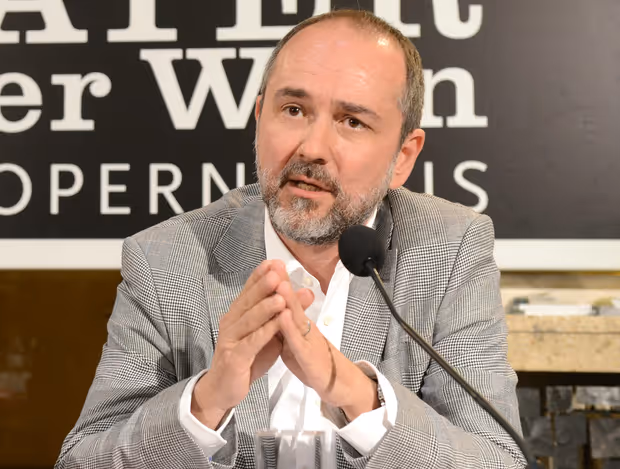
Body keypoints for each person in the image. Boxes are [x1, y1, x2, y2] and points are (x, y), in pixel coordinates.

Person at [55, 9, 525, 469]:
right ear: (260, 116)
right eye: (294, 110)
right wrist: (206, 400)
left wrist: (355, 395)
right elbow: (81, 462)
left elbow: (498, 460)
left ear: (403, 156)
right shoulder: (166, 259)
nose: (312, 148)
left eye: (352, 121)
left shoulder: (448, 248)